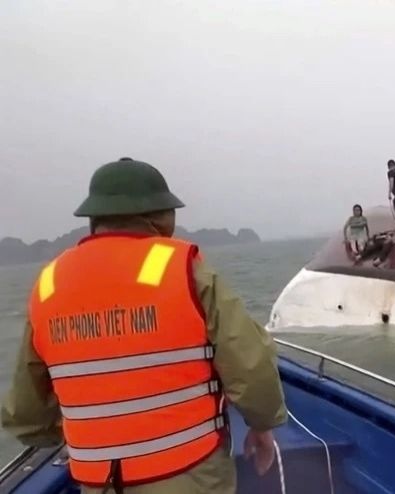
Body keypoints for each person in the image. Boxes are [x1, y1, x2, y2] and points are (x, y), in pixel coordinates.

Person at [0, 157, 287, 494]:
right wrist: (263, 425)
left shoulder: (49, 283)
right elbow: (250, 366)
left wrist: (81, 435)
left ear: (95, 218)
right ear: (158, 216)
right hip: (188, 474)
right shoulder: (185, 268)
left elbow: (25, 410)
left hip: (98, 481)